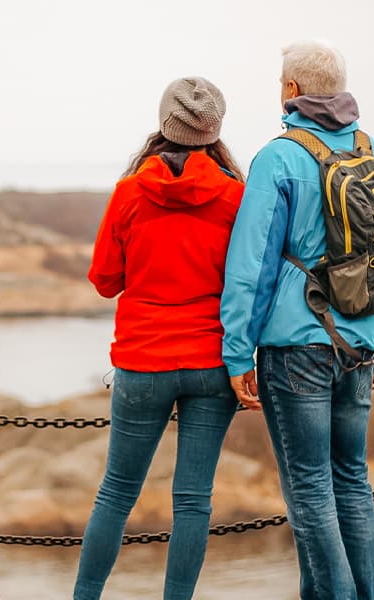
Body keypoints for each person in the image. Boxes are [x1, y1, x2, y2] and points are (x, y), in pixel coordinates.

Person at [220, 40, 374, 600]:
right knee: (351, 479)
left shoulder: (278, 158)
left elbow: (251, 265)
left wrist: (237, 352)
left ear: (292, 91)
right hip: (359, 340)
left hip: (296, 346)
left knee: (308, 488)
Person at [74, 76, 245, 600]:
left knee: (117, 494)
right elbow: (249, 281)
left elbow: (105, 281)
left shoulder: (130, 192)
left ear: (164, 123)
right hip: (213, 362)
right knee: (193, 500)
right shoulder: (236, 196)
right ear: (213, 129)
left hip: (143, 362)